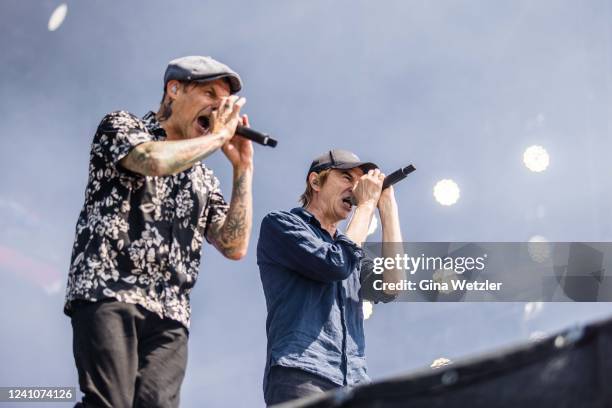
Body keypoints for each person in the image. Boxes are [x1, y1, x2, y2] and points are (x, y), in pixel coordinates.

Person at [64, 55, 254, 408]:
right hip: (111, 290)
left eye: (224, 102)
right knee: (110, 403)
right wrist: (216, 140)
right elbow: (153, 161)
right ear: (174, 89)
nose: (218, 108)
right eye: (210, 93)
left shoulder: (203, 177)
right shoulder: (122, 126)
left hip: (171, 311)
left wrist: (243, 169)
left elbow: (233, 245)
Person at [257, 149, 405, 405]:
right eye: (347, 178)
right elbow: (335, 264)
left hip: (355, 384)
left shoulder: (351, 250)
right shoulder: (281, 224)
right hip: (302, 373)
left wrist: (387, 206)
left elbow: (393, 285)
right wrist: (367, 205)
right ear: (316, 182)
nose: (356, 189)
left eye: (360, 183)